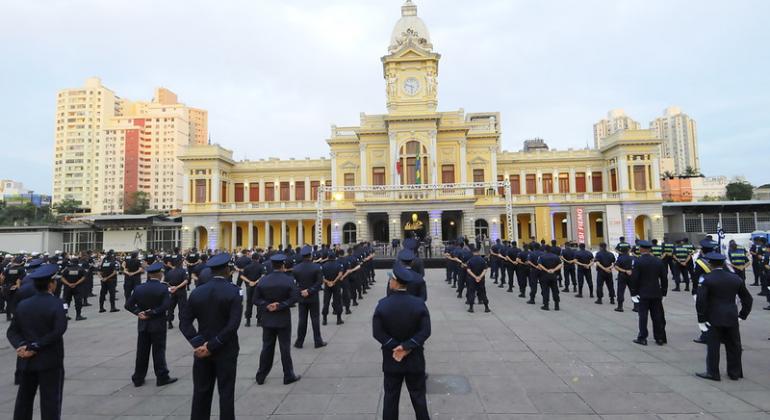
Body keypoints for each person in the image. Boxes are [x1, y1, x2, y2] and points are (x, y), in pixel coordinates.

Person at [179, 253, 242, 420]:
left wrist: (200, 344)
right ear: (228, 270)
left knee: (201, 393)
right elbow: (232, 326)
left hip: (201, 351)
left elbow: (184, 323)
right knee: (226, 393)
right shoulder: (233, 292)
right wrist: (212, 345)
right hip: (225, 349)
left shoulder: (197, 292)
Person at [7, 264, 67, 420]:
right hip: (49, 360)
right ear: (51, 284)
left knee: (24, 400)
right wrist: (36, 346)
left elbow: (12, 331)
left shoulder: (23, 305)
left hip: (26, 360)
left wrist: (21, 346)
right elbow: (58, 330)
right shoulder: (57, 304)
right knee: (50, 401)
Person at [372, 263, 431, 420]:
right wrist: (407, 346)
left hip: (392, 358)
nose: (389, 281)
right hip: (415, 358)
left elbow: (377, 333)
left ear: (396, 282)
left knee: (390, 399)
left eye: (391, 279)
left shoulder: (383, 305)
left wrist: (396, 347)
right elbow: (425, 331)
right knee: (419, 398)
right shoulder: (419, 304)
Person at [694, 252, 752, 381]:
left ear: (710, 264)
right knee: (734, 345)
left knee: (713, 346)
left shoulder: (707, 279)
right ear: (724, 263)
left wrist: (701, 318)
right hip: (731, 315)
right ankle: (734, 372)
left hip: (714, 316)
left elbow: (701, 300)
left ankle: (713, 372)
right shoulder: (735, 278)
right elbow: (748, 299)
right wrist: (743, 315)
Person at [125, 262, 177, 387]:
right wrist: (152, 312)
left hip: (143, 324)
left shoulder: (139, 288)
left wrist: (138, 313)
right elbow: (166, 306)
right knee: (158, 351)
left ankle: (138, 378)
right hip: (157, 324)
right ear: (159, 274)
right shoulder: (163, 288)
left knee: (142, 352)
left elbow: (128, 305)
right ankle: (162, 376)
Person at [254, 254, 301, 385]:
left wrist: (266, 305)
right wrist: (280, 305)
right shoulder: (288, 280)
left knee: (267, 347)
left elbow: (255, 299)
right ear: (283, 265)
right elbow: (294, 298)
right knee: (285, 348)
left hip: (267, 318)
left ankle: (261, 375)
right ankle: (288, 375)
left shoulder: (263, 280)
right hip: (283, 318)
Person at [629, 241, 668, 346]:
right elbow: (664, 278)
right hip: (656, 292)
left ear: (641, 249)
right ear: (650, 249)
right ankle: (659, 338)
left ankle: (642, 337)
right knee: (657, 316)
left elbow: (634, 278)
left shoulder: (638, 261)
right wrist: (664, 292)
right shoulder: (658, 261)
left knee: (643, 316)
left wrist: (633, 292)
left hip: (643, 293)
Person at [292, 246, 326, 349]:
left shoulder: (296, 268)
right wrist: (310, 290)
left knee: (302, 320)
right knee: (315, 319)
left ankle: (299, 342)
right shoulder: (316, 267)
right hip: (313, 297)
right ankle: (318, 341)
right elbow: (319, 282)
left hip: (302, 297)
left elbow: (294, 284)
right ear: (310, 256)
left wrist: (301, 291)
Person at [165, 256, 189, 330]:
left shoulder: (170, 272)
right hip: (181, 291)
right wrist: (177, 287)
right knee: (182, 308)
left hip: (172, 292)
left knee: (171, 307)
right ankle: (182, 324)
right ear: (181, 263)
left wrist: (171, 287)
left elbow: (166, 282)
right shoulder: (183, 271)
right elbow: (186, 281)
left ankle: (169, 322)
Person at [465, 245, 490, 313]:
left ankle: (471, 308)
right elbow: (485, 270)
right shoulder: (483, 260)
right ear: (478, 252)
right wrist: (480, 277)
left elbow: (468, 270)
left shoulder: (470, 260)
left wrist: (475, 277)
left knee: (472, 293)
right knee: (483, 293)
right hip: (481, 280)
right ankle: (486, 308)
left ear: (473, 253)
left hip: (472, 279)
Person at [537, 245, 562, 311]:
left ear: (545, 250)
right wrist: (554, 270)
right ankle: (557, 305)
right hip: (553, 275)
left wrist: (546, 270)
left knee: (545, 290)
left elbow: (539, 265)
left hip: (544, 275)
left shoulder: (542, 257)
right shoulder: (556, 256)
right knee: (555, 290)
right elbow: (560, 264)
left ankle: (546, 305)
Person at [613, 242, 635, 312]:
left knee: (620, 291)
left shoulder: (620, 258)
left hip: (622, 276)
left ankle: (620, 307)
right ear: (628, 250)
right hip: (631, 276)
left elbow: (616, 267)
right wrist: (631, 271)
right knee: (633, 290)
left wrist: (625, 271)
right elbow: (636, 267)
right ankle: (636, 307)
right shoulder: (633, 258)